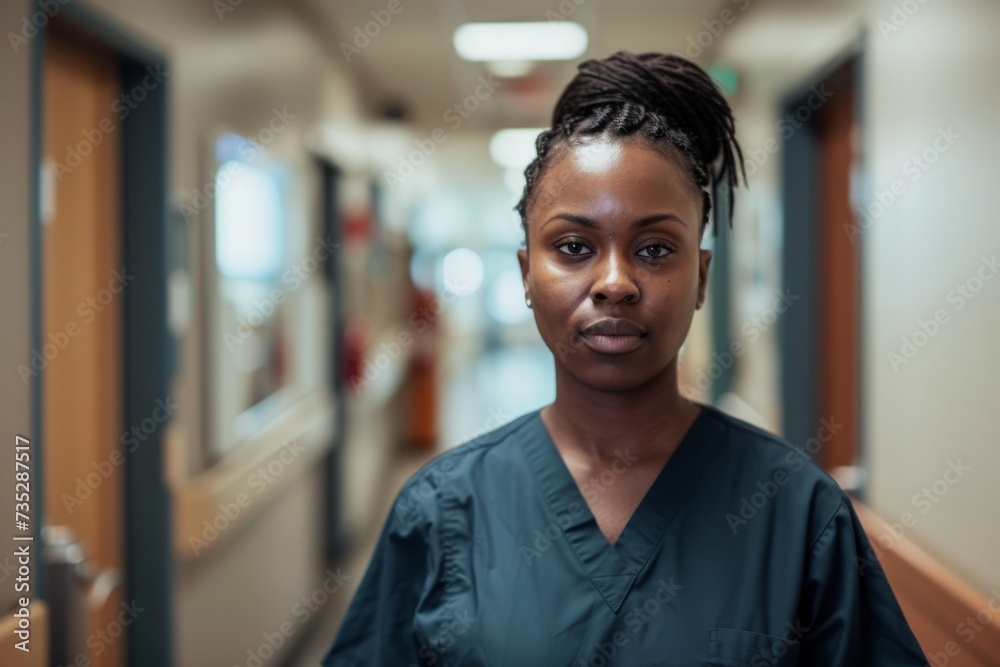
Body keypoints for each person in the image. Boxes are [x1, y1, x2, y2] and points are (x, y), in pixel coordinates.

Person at [321, 51, 927, 666]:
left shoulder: (798, 513)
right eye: (574, 246)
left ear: (702, 277)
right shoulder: (442, 510)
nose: (615, 283)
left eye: (656, 248)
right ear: (526, 274)